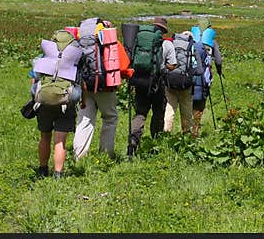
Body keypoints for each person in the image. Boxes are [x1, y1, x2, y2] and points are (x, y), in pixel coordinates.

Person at [73, 20, 134, 161]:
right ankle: (106, 154)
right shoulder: (110, 42)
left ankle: (79, 155)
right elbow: (124, 66)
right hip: (106, 87)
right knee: (110, 118)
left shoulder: (81, 40)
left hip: (85, 86)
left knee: (85, 119)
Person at [29, 28, 83, 179]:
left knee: (44, 137)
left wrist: (35, 97)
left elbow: (34, 78)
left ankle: (42, 169)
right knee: (60, 141)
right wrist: (83, 101)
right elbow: (80, 82)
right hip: (66, 102)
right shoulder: (75, 57)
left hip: (44, 101)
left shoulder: (46, 55)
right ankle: (58, 174)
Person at [127, 16, 176, 157]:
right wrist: (164, 66)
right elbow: (172, 65)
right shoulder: (167, 44)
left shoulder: (140, 40)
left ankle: (133, 140)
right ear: (164, 31)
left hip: (139, 82)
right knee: (158, 113)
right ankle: (155, 141)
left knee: (140, 113)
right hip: (157, 84)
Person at [191, 18, 223, 138]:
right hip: (204, 77)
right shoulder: (212, 43)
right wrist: (219, 72)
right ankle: (195, 130)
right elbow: (218, 61)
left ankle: (186, 130)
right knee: (200, 104)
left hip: (189, 75)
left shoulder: (191, 40)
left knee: (188, 102)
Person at [164, 29, 196, 135]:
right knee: (186, 109)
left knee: (169, 108)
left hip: (170, 81)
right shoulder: (191, 46)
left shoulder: (171, 43)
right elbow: (196, 68)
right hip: (185, 82)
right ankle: (187, 134)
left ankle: (166, 132)